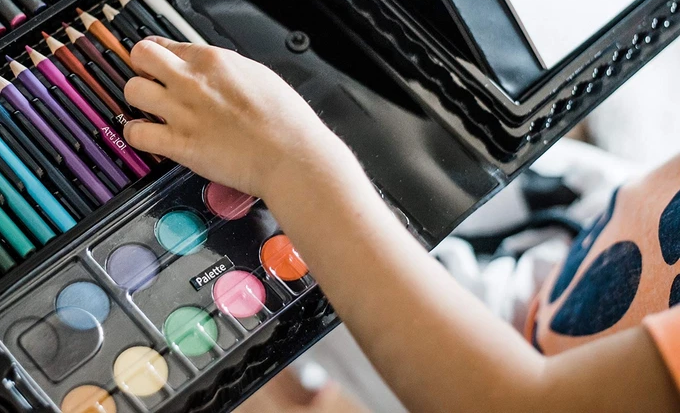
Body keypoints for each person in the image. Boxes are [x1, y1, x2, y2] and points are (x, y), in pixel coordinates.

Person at [121, 37, 680, 412]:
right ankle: (307, 365)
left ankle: (305, 364)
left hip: (494, 362)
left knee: (275, 249)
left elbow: (516, 401)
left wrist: (289, 156)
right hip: (585, 228)